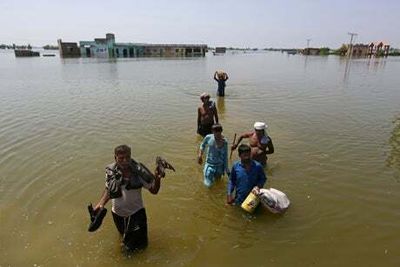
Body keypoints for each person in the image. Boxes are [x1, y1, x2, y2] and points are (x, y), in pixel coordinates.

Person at [94, 145, 163, 252]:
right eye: (121, 158)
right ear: (115, 158)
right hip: (117, 214)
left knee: (141, 247)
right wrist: (101, 203)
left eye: (127, 157)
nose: (125, 161)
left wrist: (157, 178)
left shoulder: (139, 172)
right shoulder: (111, 172)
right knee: (124, 239)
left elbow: (154, 191)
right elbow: (108, 189)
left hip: (136, 213)